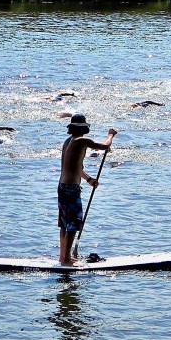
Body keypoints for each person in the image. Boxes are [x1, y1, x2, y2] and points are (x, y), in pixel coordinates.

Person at [58, 114, 117, 266]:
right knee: (73, 223)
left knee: (65, 223)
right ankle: (66, 260)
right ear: (83, 128)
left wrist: (89, 179)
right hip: (71, 188)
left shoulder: (67, 142)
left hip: (63, 186)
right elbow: (104, 146)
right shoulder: (82, 140)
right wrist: (110, 135)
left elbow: (75, 167)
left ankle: (63, 256)